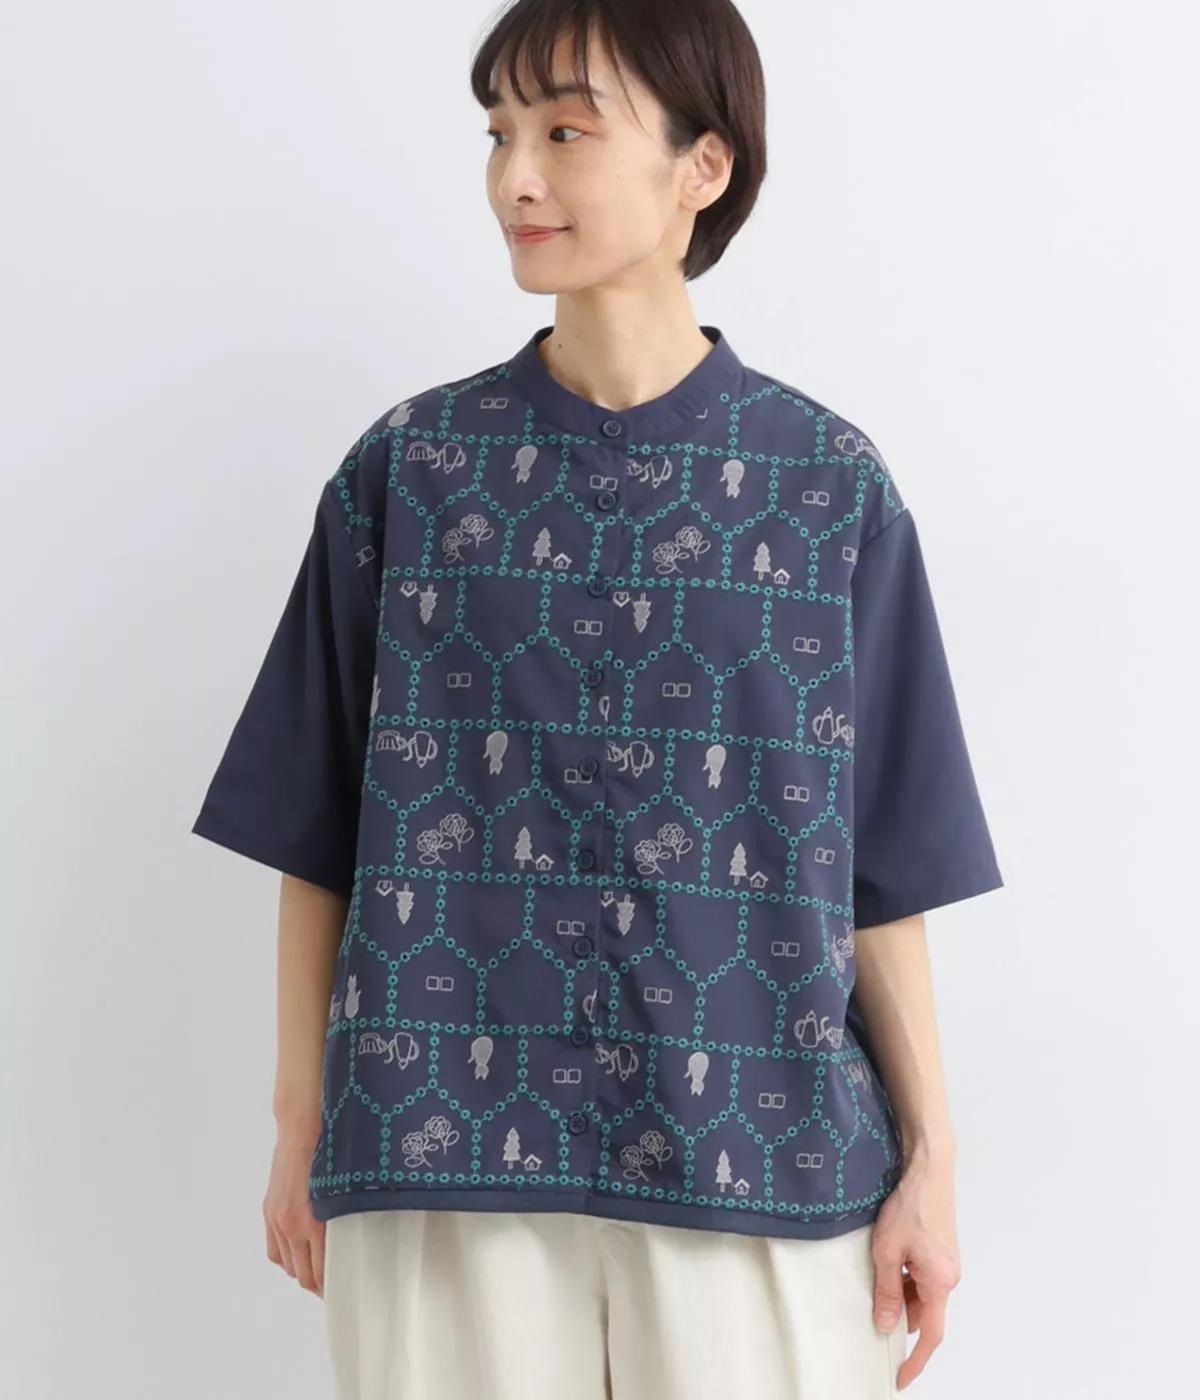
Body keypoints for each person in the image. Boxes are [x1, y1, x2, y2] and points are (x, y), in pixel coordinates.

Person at [191, 2, 1004, 1396]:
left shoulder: (826, 490)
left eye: (566, 132)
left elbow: (882, 862)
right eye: (499, 133)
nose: (517, 177)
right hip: (444, 1160)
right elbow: (314, 829)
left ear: (705, 165)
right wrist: (299, 1115)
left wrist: (932, 1160)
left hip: (762, 1155)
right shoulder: (410, 473)